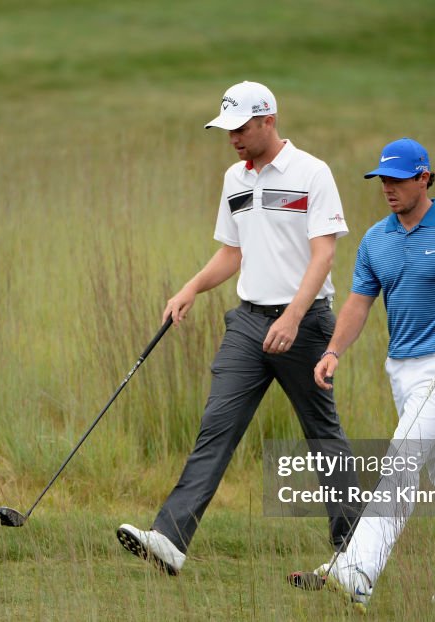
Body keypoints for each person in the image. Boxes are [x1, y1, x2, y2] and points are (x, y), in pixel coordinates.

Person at [116, 81, 362, 574]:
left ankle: (356, 551)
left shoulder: (312, 173)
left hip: (306, 325)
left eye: (241, 128)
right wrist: (190, 288)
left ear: (268, 120)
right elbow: (233, 252)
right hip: (248, 324)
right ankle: (169, 539)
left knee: (322, 434)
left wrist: (293, 317)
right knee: (216, 427)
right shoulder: (235, 177)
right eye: (226, 129)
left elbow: (325, 254)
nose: (232, 137)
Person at [293, 137, 435, 611]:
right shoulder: (375, 239)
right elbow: (357, 304)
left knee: (400, 462)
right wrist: (333, 351)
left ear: (424, 177)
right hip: (402, 370)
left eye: (398, 179)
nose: (388, 187)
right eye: (382, 180)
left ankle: (358, 570)